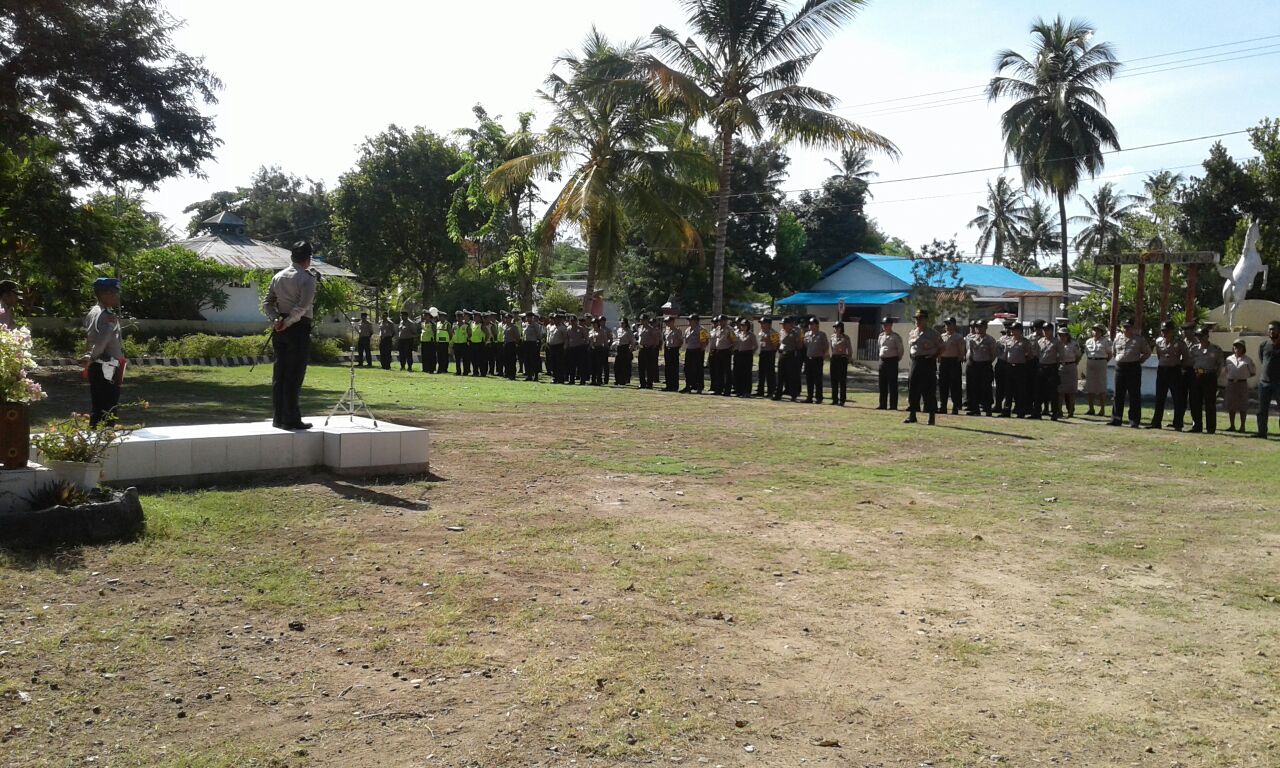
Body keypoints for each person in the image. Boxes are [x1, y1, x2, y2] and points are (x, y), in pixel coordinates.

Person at [262, 241, 318, 430]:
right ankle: (291, 419)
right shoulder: (307, 279)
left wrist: (276, 319)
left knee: (280, 373)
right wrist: (285, 323)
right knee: (294, 374)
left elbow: (267, 302)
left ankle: (278, 418)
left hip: (280, 328)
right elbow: (302, 308)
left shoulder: (278, 276)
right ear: (308, 259)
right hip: (297, 327)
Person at [82, 277, 125, 427]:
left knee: (99, 407)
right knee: (108, 408)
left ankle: (97, 439)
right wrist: (92, 358)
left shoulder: (94, 312)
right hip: (105, 366)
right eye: (115, 293)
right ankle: (103, 440)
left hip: (100, 366)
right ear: (105, 294)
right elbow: (102, 341)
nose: (117, 297)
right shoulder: (105, 315)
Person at [1109, 318, 1151, 428]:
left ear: (1132, 328)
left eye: (1128, 327)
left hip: (1133, 368)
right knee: (1118, 394)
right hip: (1120, 368)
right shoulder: (1118, 338)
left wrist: (1139, 361)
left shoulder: (1139, 339)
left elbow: (1147, 352)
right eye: (1124, 327)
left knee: (1134, 394)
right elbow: (1114, 352)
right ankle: (1116, 418)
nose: (1126, 329)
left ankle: (1134, 420)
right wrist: (1119, 360)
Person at [1150, 320, 1188, 430]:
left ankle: (1178, 423)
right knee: (1159, 397)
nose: (1164, 333)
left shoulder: (1179, 342)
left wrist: (1178, 367)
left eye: (1166, 331)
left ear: (1172, 331)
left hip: (1174, 371)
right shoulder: (1159, 341)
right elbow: (1159, 355)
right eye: (1163, 331)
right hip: (1162, 370)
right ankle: (1156, 422)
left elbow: (1185, 357)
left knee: (1177, 398)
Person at [905, 309, 941, 424]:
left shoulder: (933, 333)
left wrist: (935, 355)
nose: (918, 321)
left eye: (920, 318)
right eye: (916, 319)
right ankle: (912, 415)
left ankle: (931, 416)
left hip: (927, 362)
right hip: (915, 362)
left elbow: (942, 347)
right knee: (913, 389)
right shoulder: (913, 332)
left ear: (926, 320)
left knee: (929, 390)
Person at [1186, 326, 1223, 434]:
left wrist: (1215, 376)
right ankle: (1197, 426)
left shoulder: (1215, 349)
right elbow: (1190, 362)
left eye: (1201, 336)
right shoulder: (1194, 348)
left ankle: (1210, 428)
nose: (1199, 338)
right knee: (1194, 401)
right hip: (1197, 376)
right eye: (1197, 336)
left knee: (1210, 403)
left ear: (1207, 336)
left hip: (1209, 376)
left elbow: (1220, 364)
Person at [1000, 322, 1033, 418]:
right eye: (1012, 330)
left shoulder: (1025, 342)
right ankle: (1006, 410)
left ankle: (1020, 410)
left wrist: (1022, 361)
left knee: (1020, 390)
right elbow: (1006, 354)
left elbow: (1029, 355)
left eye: (1014, 330)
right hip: (1010, 367)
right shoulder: (1008, 341)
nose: (1012, 332)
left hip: (1020, 368)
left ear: (1020, 331)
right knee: (1008, 390)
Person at [1254, 320, 1280, 438]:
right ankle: (1262, 432)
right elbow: (1262, 360)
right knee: (1261, 410)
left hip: (1279, 383)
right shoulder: (1264, 345)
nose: (1271, 331)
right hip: (1264, 383)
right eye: (1269, 329)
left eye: (1273, 329)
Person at [1223, 339, 1255, 433]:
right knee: (1231, 405)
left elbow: (1253, 372)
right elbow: (1226, 370)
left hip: (1242, 383)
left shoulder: (1248, 360)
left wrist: (1242, 376)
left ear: (1243, 348)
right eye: (1235, 346)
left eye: (1239, 347)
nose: (1237, 348)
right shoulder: (1228, 359)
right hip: (1231, 383)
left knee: (1242, 405)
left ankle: (1242, 426)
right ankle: (1232, 425)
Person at [966, 320, 996, 416]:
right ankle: (975, 409)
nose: (978, 329)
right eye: (977, 327)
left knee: (986, 388)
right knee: (974, 388)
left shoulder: (990, 340)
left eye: (981, 327)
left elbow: (993, 354)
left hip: (985, 365)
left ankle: (987, 409)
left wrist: (986, 362)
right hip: (975, 365)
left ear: (986, 327)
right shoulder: (972, 339)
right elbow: (971, 352)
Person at [1034, 321, 1062, 420]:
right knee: (1039, 391)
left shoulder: (1057, 342)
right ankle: (1037, 412)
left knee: (1053, 392)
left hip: (1052, 368)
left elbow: (1060, 356)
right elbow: (1037, 354)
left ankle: (1055, 413)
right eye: (1044, 330)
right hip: (1042, 367)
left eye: (1048, 330)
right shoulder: (1040, 341)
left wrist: (1055, 366)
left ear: (1052, 330)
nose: (1046, 332)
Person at [937, 317, 965, 415]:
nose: (947, 327)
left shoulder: (958, 337)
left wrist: (960, 359)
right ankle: (943, 406)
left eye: (949, 324)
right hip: (944, 362)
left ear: (954, 325)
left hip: (954, 361)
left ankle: (955, 406)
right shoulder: (942, 336)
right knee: (943, 385)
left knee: (955, 385)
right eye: (946, 325)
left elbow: (961, 351)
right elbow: (939, 348)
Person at [1083, 324, 1112, 415]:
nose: (1095, 332)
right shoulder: (1088, 341)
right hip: (1091, 362)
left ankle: (1102, 409)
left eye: (1098, 330)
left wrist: (1104, 362)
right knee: (1090, 387)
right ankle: (1091, 408)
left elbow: (1110, 354)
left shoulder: (1106, 341)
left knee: (1101, 387)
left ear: (1102, 332)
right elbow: (1087, 353)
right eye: (1094, 330)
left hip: (1101, 362)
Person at [877, 316, 903, 411]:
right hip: (882, 361)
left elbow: (900, 350)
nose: (884, 326)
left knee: (892, 384)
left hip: (892, 361)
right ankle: (882, 404)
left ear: (891, 325)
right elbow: (880, 347)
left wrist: (896, 359)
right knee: (882, 383)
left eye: (886, 324)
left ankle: (893, 405)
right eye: (883, 325)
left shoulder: (895, 336)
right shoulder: (881, 336)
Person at [776, 316, 803, 402]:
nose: (783, 326)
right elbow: (780, 342)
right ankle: (778, 394)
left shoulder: (795, 333)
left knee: (791, 376)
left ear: (789, 324)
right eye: (782, 324)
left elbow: (799, 345)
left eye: (784, 324)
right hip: (782, 355)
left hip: (791, 356)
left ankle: (793, 394)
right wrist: (779, 349)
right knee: (780, 376)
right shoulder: (781, 332)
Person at [1057, 325, 1081, 419]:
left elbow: (1078, 355)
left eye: (1064, 335)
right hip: (1061, 367)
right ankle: (1059, 411)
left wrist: (1074, 363)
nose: (1062, 337)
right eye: (1060, 335)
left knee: (1071, 391)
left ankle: (1071, 411)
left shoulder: (1073, 344)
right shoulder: (1057, 344)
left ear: (1067, 335)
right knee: (1060, 391)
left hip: (1071, 367)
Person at [682, 314, 707, 394]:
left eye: (691, 320)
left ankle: (699, 386)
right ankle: (688, 385)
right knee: (687, 369)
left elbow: (705, 341)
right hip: (689, 350)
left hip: (698, 351)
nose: (689, 321)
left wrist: (701, 350)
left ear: (696, 321)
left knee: (698, 369)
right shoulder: (687, 330)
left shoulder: (702, 329)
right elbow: (686, 341)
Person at [710, 315, 734, 396]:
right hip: (718, 352)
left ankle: (727, 390)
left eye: (722, 320)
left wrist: (730, 350)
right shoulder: (717, 328)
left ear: (726, 321)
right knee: (718, 371)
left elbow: (734, 341)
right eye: (719, 321)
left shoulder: (730, 329)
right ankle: (718, 389)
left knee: (727, 372)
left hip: (726, 351)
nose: (720, 322)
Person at [732, 318, 757, 397]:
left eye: (745, 325)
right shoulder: (738, 333)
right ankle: (739, 390)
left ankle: (747, 391)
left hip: (747, 355)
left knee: (746, 373)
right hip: (738, 354)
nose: (743, 327)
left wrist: (751, 353)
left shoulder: (751, 335)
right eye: (742, 325)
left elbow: (755, 346)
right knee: (738, 373)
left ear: (748, 326)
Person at [756, 316, 780, 399]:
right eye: (761, 323)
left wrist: (771, 351)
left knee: (770, 373)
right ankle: (760, 390)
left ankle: (771, 391)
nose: (761, 325)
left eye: (763, 323)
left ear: (769, 324)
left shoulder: (773, 333)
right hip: (763, 353)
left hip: (769, 353)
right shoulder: (761, 332)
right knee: (761, 372)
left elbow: (776, 345)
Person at [829, 322, 852, 406]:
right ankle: (834, 399)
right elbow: (831, 348)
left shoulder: (845, 338)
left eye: (837, 327)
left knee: (842, 380)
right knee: (833, 380)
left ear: (841, 328)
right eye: (835, 327)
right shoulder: (832, 337)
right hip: (834, 359)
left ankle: (842, 400)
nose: (836, 329)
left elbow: (849, 349)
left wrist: (848, 358)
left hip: (842, 359)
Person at [637, 314, 661, 389]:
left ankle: (649, 383)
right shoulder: (640, 328)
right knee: (641, 367)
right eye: (641, 319)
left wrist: (652, 347)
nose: (642, 321)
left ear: (647, 320)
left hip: (649, 349)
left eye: (643, 320)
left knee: (649, 367)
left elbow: (656, 340)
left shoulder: (651, 329)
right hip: (641, 348)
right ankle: (642, 383)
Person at [565, 315, 588, 385]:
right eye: (571, 321)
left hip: (580, 348)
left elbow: (586, 338)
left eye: (574, 321)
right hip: (571, 348)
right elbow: (567, 338)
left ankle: (582, 380)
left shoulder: (581, 328)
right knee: (571, 365)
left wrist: (583, 343)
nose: (572, 322)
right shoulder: (568, 329)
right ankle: (571, 380)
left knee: (581, 365)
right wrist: (566, 346)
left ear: (576, 321)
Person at [662, 315, 683, 392]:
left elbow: (681, 341)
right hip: (667, 349)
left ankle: (674, 386)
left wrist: (676, 348)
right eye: (666, 322)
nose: (667, 323)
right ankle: (668, 385)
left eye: (668, 322)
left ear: (673, 322)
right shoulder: (666, 330)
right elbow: (665, 340)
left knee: (674, 368)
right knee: (668, 368)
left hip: (674, 350)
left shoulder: (677, 330)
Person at [521, 312, 542, 381]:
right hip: (526, 343)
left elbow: (539, 335)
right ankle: (529, 375)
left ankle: (535, 375)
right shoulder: (524, 324)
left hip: (533, 343)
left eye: (529, 317)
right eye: (527, 317)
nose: (527, 318)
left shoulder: (535, 325)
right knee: (527, 360)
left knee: (534, 360)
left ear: (532, 317)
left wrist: (538, 342)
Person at [545, 313, 566, 383]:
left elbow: (565, 338)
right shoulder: (551, 327)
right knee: (553, 362)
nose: (555, 320)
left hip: (559, 346)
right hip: (552, 346)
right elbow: (549, 336)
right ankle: (555, 377)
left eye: (556, 319)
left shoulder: (562, 327)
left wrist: (564, 346)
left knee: (559, 363)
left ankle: (560, 378)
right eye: (554, 319)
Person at [613, 316, 634, 386]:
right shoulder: (618, 330)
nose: (622, 324)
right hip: (619, 348)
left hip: (625, 348)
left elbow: (632, 342)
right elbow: (617, 339)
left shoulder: (628, 331)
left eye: (623, 323)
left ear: (626, 323)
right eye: (621, 323)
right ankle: (617, 379)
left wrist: (630, 350)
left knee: (624, 365)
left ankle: (623, 380)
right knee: (616, 365)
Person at [502, 312, 520, 380]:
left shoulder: (514, 327)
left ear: (511, 319)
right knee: (506, 359)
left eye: (508, 318)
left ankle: (512, 374)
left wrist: (515, 342)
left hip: (511, 344)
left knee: (511, 360)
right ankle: (507, 373)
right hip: (506, 344)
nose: (506, 320)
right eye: (506, 318)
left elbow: (518, 337)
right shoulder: (505, 326)